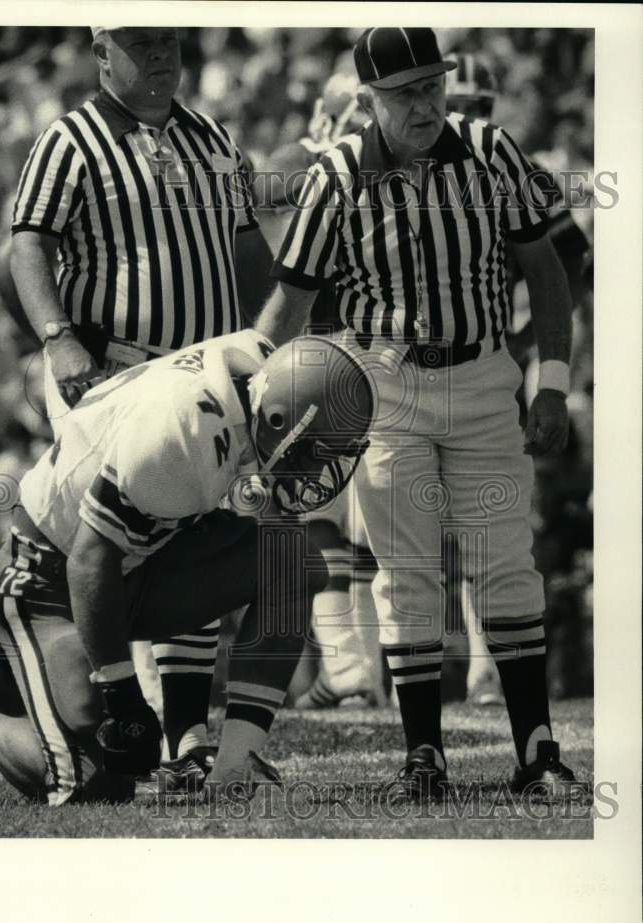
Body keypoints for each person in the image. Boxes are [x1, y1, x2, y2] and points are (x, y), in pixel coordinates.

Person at [257, 27, 581, 800]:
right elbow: (289, 305)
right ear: (367, 100)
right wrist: (253, 404)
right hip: (385, 385)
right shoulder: (334, 175)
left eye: (432, 86)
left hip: (481, 378)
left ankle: (536, 750)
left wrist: (554, 383)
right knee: (405, 575)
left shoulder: (489, 150)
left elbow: (547, 268)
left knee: (506, 561)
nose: (426, 104)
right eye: (405, 93)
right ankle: (422, 757)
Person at [0, 330, 374, 806]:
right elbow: (89, 562)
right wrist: (122, 696)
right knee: (93, 782)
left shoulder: (264, 385)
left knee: (292, 561)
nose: (318, 472)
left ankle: (234, 764)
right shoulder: (183, 430)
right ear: (277, 419)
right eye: (315, 453)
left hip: (134, 562)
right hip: (47, 576)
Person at [0, 26, 275, 779]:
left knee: (212, 532)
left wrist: (263, 341)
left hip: (205, 379)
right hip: (115, 376)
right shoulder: (71, 139)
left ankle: (184, 734)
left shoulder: (213, 135)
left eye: (168, 40)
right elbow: (23, 247)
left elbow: (246, 248)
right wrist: (57, 337)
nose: (159, 55)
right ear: (102, 51)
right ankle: (119, 703)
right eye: (139, 42)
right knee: (129, 537)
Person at [442, 51, 592, 707]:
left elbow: (572, 264)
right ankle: (373, 674)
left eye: (478, 107)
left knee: (492, 516)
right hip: (415, 365)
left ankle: (484, 668)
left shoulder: (514, 170)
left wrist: (530, 344)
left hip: (491, 359)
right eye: (458, 105)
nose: (466, 117)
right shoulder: (397, 171)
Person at [255, 74, 383, 711]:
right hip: (344, 356)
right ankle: (351, 672)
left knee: (336, 525)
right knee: (338, 524)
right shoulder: (316, 169)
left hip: (335, 358)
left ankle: (351, 673)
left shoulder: (307, 168)